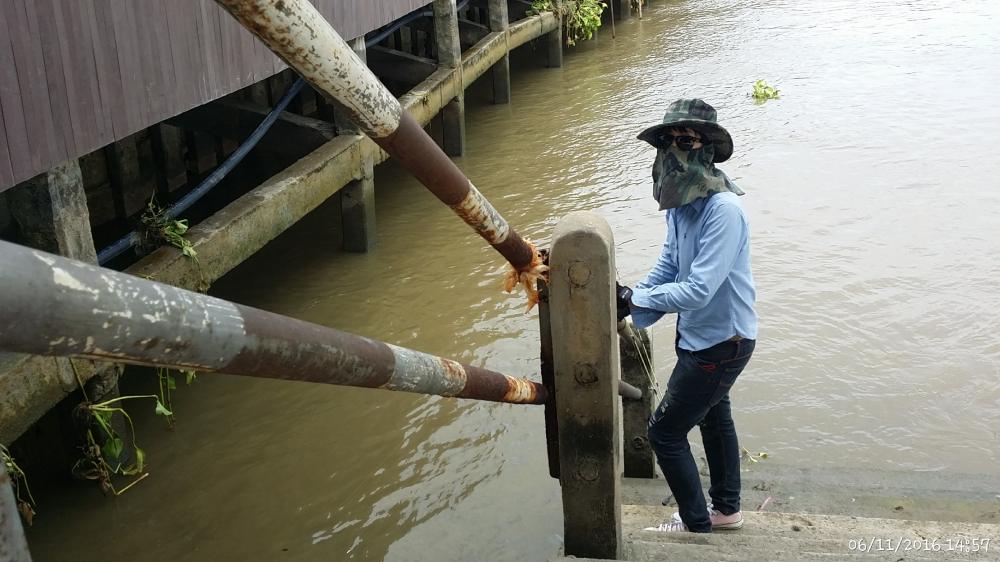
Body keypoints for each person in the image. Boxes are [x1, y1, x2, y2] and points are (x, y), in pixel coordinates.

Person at [617, 99, 758, 533]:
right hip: (699, 336)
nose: (672, 152)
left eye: (684, 141)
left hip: (723, 342)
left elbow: (698, 289)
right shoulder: (682, 208)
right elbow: (670, 267)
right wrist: (628, 297)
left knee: (664, 433)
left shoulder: (723, 212)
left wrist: (634, 300)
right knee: (716, 420)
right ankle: (726, 510)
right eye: (666, 143)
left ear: (706, 150)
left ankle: (697, 522)